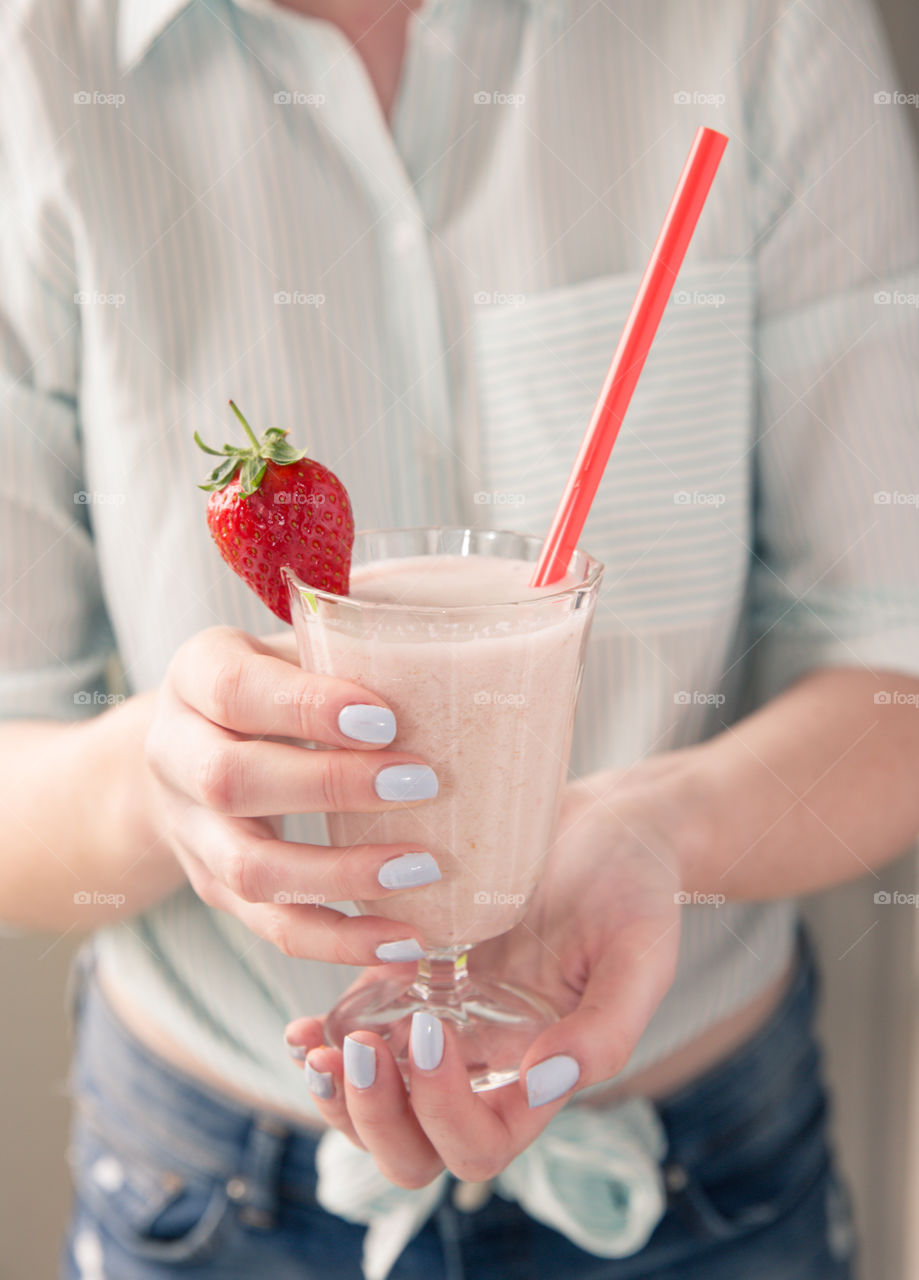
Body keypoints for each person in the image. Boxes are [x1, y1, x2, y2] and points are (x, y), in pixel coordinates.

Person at [1, 0, 918, 1275]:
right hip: (210, 1198)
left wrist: (658, 828)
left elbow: (899, 669)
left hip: (700, 1172)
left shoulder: (760, 25)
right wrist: (161, 779)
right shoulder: (38, 64)